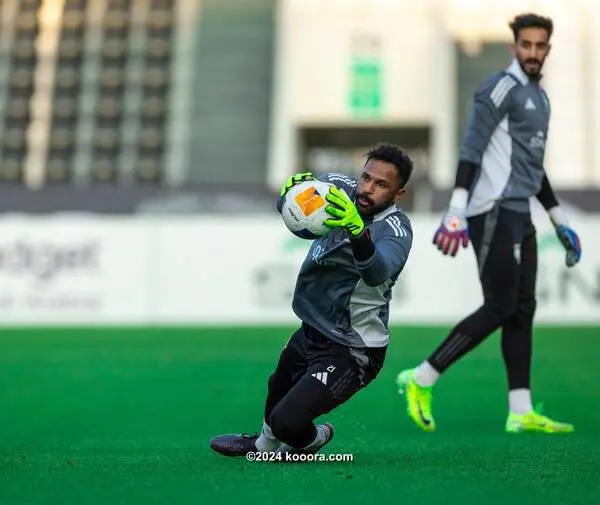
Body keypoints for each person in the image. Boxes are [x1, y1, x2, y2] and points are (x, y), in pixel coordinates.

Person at [396, 13, 582, 434]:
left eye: (541, 46)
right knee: (501, 305)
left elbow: (533, 169)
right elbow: (472, 149)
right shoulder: (500, 89)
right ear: (514, 46)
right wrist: (457, 209)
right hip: (492, 210)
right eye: (526, 45)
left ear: (548, 49)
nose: (533, 52)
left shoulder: (541, 98)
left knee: (522, 311)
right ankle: (421, 377)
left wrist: (559, 218)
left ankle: (520, 410)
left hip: (521, 212)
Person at [210, 143, 414, 457]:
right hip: (312, 329)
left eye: (381, 185)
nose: (368, 188)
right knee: (277, 384)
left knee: (287, 423)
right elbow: (297, 211)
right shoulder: (338, 188)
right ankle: (263, 446)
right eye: (366, 178)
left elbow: (377, 273)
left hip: (353, 349)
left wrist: (357, 230)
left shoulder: (396, 230)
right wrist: (286, 196)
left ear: (398, 194)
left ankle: (315, 438)